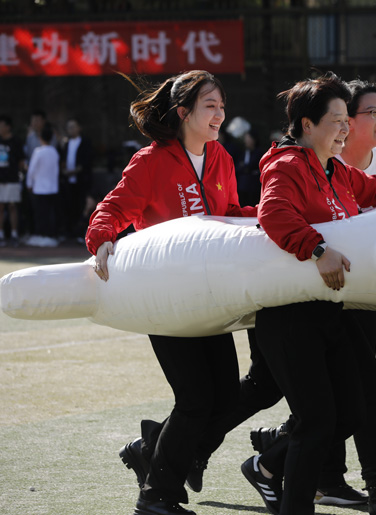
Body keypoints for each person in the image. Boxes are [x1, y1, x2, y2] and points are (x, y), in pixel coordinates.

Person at [240, 72, 376, 515]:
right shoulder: (286, 164)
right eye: (336, 120)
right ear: (307, 125)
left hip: (331, 310)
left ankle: (282, 467)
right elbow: (273, 214)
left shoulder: (334, 169)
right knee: (317, 420)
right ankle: (287, 485)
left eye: (346, 120)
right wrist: (317, 249)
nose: (345, 128)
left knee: (360, 400)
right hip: (291, 316)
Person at [87, 70, 258, 515]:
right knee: (196, 399)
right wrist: (102, 237)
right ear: (183, 112)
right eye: (210, 106)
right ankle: (156, 497)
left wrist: (269, 216)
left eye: (222, 106)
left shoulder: (220, 156)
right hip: (165, 299)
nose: (220, 114)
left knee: (225, 399)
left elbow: (229, 212)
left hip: (212, 299)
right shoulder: (150, 160)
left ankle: (150, 449)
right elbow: (113, 207)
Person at [59, 117, 94, 242]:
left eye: (73, 127)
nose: (71, 129)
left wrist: (75, 171)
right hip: (69, 181)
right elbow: (63, 159)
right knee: (69, 206)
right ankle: (70, 233)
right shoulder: (66, 143)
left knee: (82, 206)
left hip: (81, 180)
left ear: (79, 128)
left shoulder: (85, 142)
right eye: (69, 127)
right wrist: (65, 171)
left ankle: (81, 233)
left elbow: (86, 161)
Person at [25, 122, 60, 247]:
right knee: (49, 213)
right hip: (52, 188)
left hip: (39, 188)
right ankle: (49, 235)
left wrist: (29, 183)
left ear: (40, 138)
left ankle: (41, 235)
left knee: (40, 213)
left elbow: (31, 170)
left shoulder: (38, 151)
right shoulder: (54, 152)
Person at [0, 115, 24, 247]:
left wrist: (17, 175)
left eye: (2, 125)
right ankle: (1, 234)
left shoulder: (16, 141)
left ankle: (14, 234)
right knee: (0, 206)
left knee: (12, 206)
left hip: (12, 179)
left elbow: (21, 161)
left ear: (8, 127)